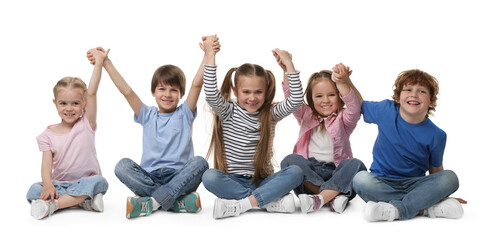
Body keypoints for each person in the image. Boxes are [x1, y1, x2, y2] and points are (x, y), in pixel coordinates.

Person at [86, 36, 219, 219]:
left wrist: (207, 54)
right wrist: (107, 62)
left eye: (173, 90)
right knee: (122, 166)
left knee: (200, 163)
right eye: (162, 89)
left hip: (180, 176)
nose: (167, 94)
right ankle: (175, 201)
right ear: (153, 92)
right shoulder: (147, 115)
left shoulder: (185, 113)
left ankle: (154, 202)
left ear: (181, 94)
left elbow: (197, 83)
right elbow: (127, 91)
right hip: (150, 177)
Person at [201, 38, 304, 219]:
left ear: (266, 90)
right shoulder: (228, 111)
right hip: (233, 180)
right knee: (209, 177)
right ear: (235, 90)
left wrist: (288, 65)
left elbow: (296, 100)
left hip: (263, 180)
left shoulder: (271, 113)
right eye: (246, 92)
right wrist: (210, 55)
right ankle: (268, 201)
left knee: (295, 172)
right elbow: (210, 92)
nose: (252, 98)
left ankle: (243, 204)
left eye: (258, 92)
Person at [352, 69, 466, 221]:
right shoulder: (386, 110)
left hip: (415, 183)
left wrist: (441, 192)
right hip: (381, 181)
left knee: (450, 178)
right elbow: (359, 105)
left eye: (422, 91)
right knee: (360, 179)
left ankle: (397, 210)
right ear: (398, 98)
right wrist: (345, 81)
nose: (414, 94)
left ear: (431, 102)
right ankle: (423, 207)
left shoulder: (437, 135)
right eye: (408, 89)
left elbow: (436, 171)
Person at [26, 48, 109, 220]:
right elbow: (46, 166)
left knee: (100, 182)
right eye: (63, 103)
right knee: (34, 190)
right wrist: (48, 185)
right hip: (60, 185)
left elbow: (92, 92)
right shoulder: (47, 135)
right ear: (55, 103)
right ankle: (83, 202)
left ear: (84, 104)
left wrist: (99, 64)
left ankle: (54, 205)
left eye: (75, 103)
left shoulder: (87, 123)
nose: (69, 108)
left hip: (86, 181)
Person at [280, 63, 367, 214]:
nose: (325, 100)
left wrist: (342, 82)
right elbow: (291, 97)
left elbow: (354, 107)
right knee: (289, 160)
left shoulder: (344, 119)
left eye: (331, 95)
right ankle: (332, 197)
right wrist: (287, 70)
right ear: (311, 99)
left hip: (337, 171)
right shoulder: (305, 115)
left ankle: (319, 199)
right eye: (319, 96)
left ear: (340, 97)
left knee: (356, 164)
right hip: (311, 173)